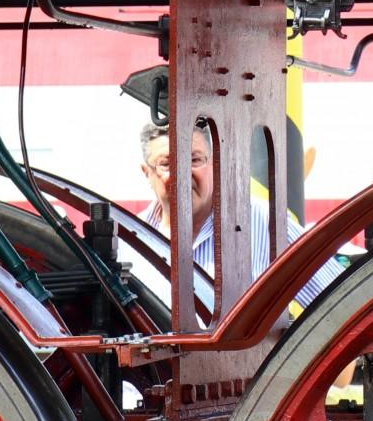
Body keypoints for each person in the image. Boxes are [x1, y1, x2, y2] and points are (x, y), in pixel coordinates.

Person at [138, 119, 343, 310]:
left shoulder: (266, 223)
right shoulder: (130, 240)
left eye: (194, 159)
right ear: (146, 173)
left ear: (214, 164)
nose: (182, 173)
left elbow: (342, 303)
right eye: (167, 164)